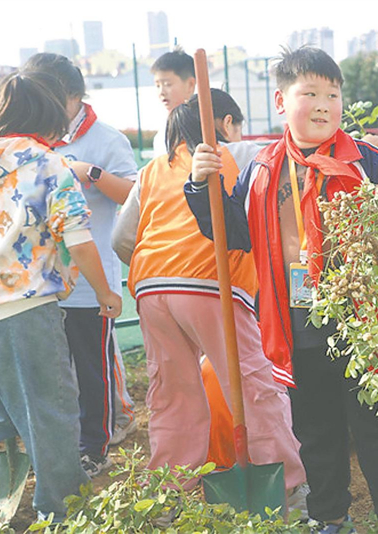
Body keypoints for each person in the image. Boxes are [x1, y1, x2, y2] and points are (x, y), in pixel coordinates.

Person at [186, 46, 378, 534]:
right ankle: (330, 518)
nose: (323, 104)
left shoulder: (369, 162)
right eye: (310, 93)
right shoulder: (261, 169)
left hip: (369, 329)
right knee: (315, 434)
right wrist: (199, 186)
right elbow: (234, 233)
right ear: (281, 101)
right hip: (297, 325)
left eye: (333, 94)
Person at [111, 89, 306, 499]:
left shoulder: (150, 171)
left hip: (151, 288)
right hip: (211, 282)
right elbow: (293, 155)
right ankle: (287, 486)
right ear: (227, 124)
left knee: (171, 394)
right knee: (254, 387)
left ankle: (169, 493)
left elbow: (121, 238)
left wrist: (158, 266)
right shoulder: (236, 151)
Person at [0, 71, 122, 521]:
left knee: (3, 409)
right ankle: (64, 514)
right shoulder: (48, 164)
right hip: (25, 309)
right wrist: (105, 292)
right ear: (48, 117)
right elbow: (80, 238)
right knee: (50, 414)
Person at [23, 52, 139, 477]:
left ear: (74, 96)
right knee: (51, 373)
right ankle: (62, 446)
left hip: (90, 283)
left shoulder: (107, 139)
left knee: (93, 370)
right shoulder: (28, 141)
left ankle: (95, 446)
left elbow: (132, 195)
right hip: (38, 283)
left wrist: (89, 173)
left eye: (55, 96)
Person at [151, 48, 196, 156]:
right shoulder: (161, 134)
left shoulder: (202, 125)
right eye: (158, 85)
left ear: (190, 84)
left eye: (168, 84)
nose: (161, 92)